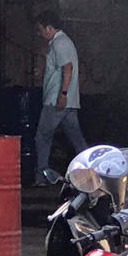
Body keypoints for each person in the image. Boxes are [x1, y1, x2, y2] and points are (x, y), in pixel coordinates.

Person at [33, 10, 88, 185]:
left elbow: (67, 68)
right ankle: (91, 172)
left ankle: (42, 175)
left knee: (42, 136)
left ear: (49, 28)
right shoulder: (59, 42)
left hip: (56, 100)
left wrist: (62, 94)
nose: (40, 33)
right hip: (67, 101)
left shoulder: (60, 43)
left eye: (41, 29)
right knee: (76, 139)